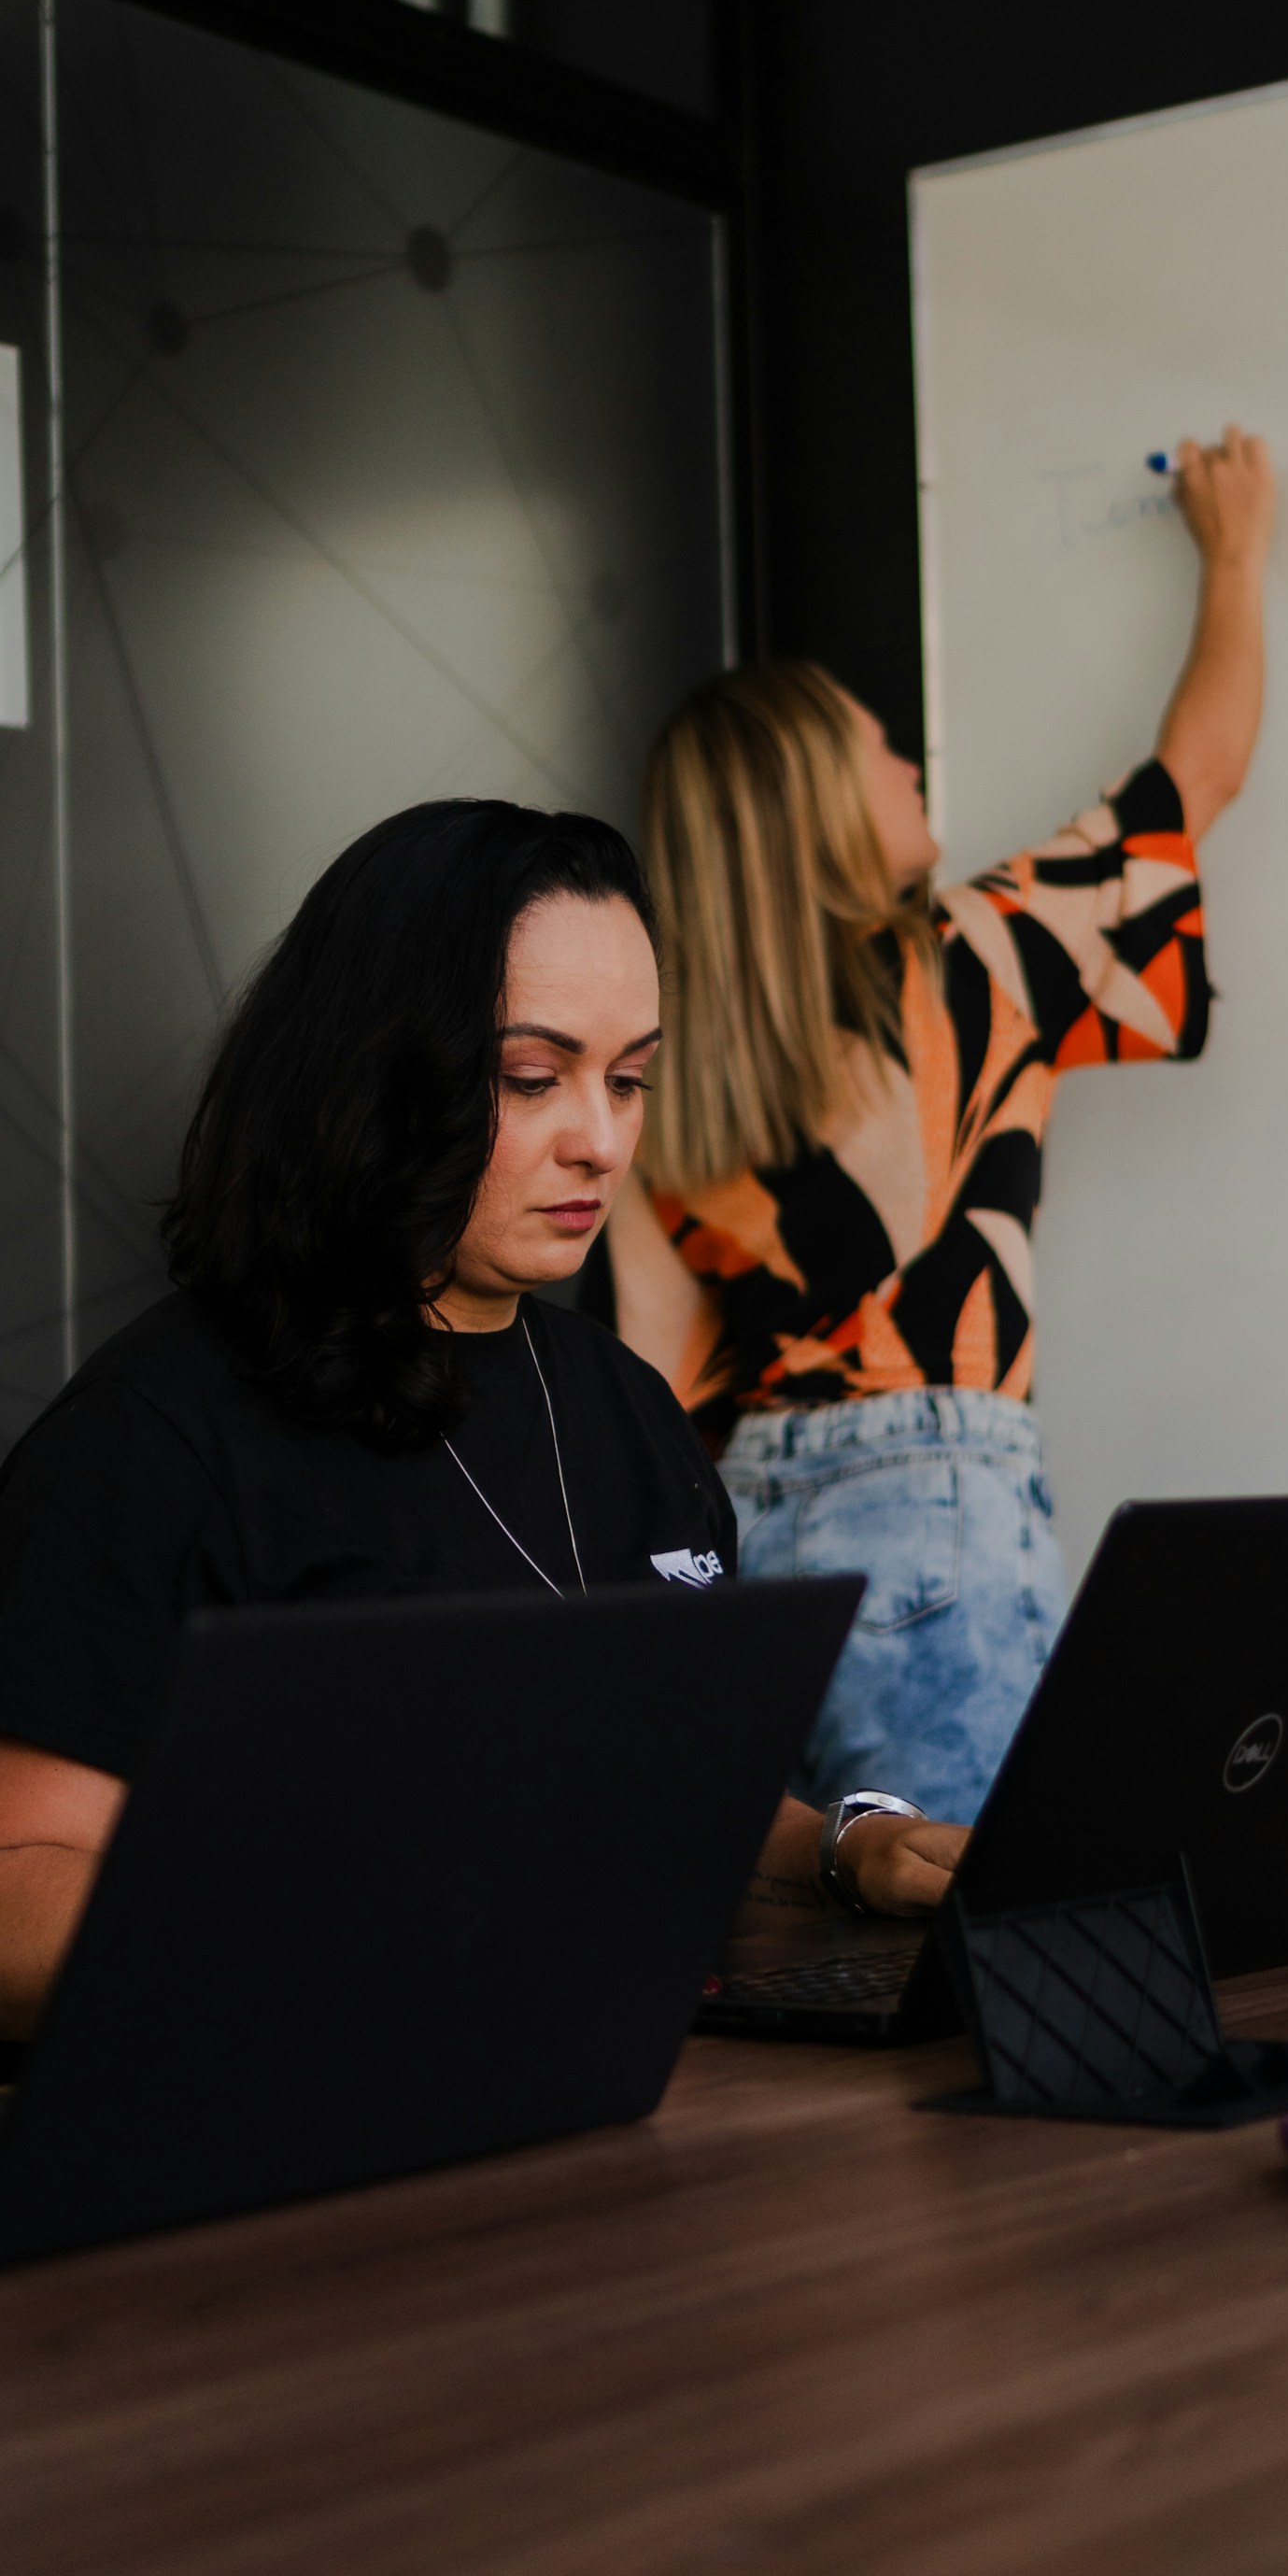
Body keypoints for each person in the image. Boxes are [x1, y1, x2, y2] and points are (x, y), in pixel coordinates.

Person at [0, 800, 967, 2040]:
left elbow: (674, 1803)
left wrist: (851, 1849)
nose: (603, 1142)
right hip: (325, 2146)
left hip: (621, 2100)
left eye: (629, 1080)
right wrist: (366, 1921)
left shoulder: (625, 1408)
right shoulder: (159, 1433)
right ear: (377, 1071)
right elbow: (20, 1893)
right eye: (533, 1079)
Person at [592, 428, 1276, 1822]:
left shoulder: (663, 1075)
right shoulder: (974, 960)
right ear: (820, 810)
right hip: (937, 1523)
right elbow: (1196, 775)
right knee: (963, 1948)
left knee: (809, 1941)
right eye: (876, 747)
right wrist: (1238, 555)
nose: (908, 765)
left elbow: (647, 1394)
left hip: (752, 1540)